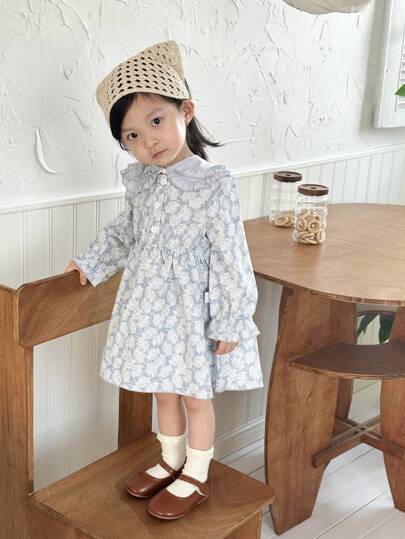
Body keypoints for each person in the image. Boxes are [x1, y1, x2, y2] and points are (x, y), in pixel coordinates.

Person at [64, 40, 264, 520]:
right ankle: (170, 459)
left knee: (194, 394)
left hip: (192, 311)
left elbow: (231, 255)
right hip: (150, 309)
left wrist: (231, 319)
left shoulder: (213, 183)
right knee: (162, 388)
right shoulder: (141, 182)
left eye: (156, 121)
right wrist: (90, 262)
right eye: (132, 135)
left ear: (185, 112)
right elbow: (124, 232)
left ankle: (197, 470)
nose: (148, 142)